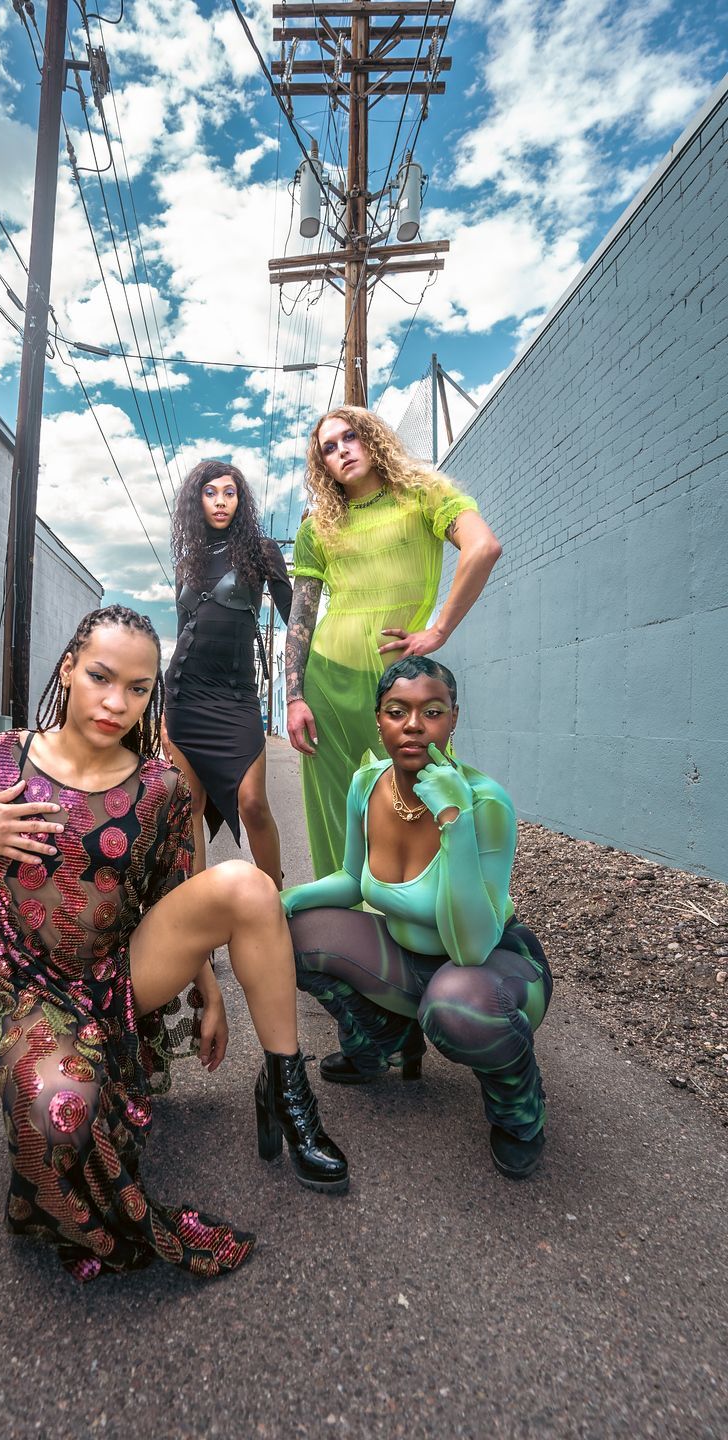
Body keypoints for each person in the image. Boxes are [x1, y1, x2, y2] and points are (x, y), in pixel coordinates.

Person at [0, 604, 348, 1285]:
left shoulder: (161, 787)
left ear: (155, 694)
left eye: (139, 688)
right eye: (100, 677)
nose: (117, 702)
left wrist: (210, 994)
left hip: (118, 976)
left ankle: (286, 1088)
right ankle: (69, 1080)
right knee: (58, 1116)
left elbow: (179, 899)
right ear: (68, 668)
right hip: (26, 989)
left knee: (248, 886)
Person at [281, 656, 552, 1179]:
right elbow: (350, 879)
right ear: (378, 719)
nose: (413, 725)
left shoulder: (486, 801)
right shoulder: (366, 784)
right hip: (407, 958)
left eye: (431, 711)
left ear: (453, 717)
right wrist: (284, 900)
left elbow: (470, 946)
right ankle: (379, 1040)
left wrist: (455, 818)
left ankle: (519, 1107)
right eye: (396, 711)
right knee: (287, 937)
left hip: (490, 970)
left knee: (454, 1007)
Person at [285, 406, 502, 879]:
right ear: (321, 464)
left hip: (396, 680)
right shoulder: (315, 528)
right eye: (328, 447)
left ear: (372, 439)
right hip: (328, 676)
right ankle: (340, 919)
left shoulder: (423, 494)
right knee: (333, 806)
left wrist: (440, 629)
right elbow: (300, 617)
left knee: (434, 785)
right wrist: (295, 695)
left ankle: (438, 900)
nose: (342, 450)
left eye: (351, 437)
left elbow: (483, 547)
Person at [165, 460, 293, 883]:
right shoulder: (189, 561)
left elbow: (297, 618)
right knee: (192, 809)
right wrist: (165, 711)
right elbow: (182, 631)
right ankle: (198, 922)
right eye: (210, 492)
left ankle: (276, 901)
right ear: (196, 500)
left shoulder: (261, 550)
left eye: (229, 492)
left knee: (253, 801)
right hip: (185, 697)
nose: (220, 501)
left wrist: (302, 684)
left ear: (241, 500)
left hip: (236, 697)